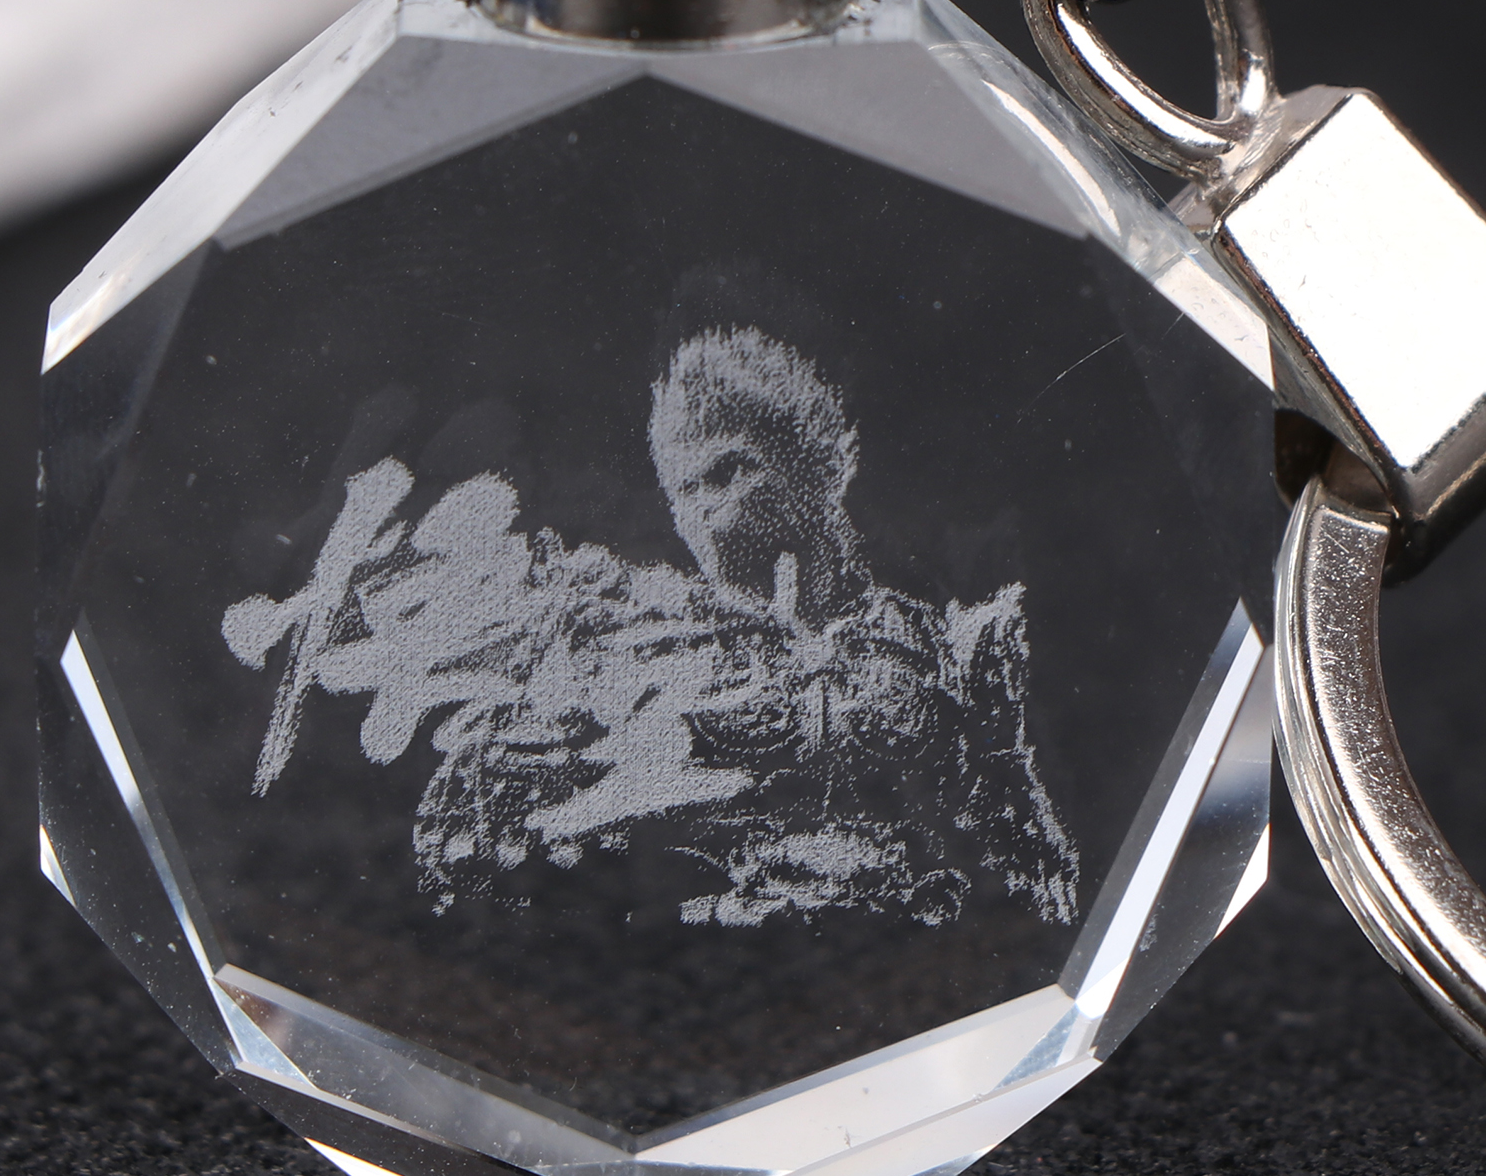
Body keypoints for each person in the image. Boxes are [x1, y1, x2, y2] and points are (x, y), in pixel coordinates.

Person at [223, 327, 1077, 927]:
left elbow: (1031, 859)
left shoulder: (946, 645)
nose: (707, 510)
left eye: (731, 471)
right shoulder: (655, 643)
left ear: (813, 459)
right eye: (686, 491)